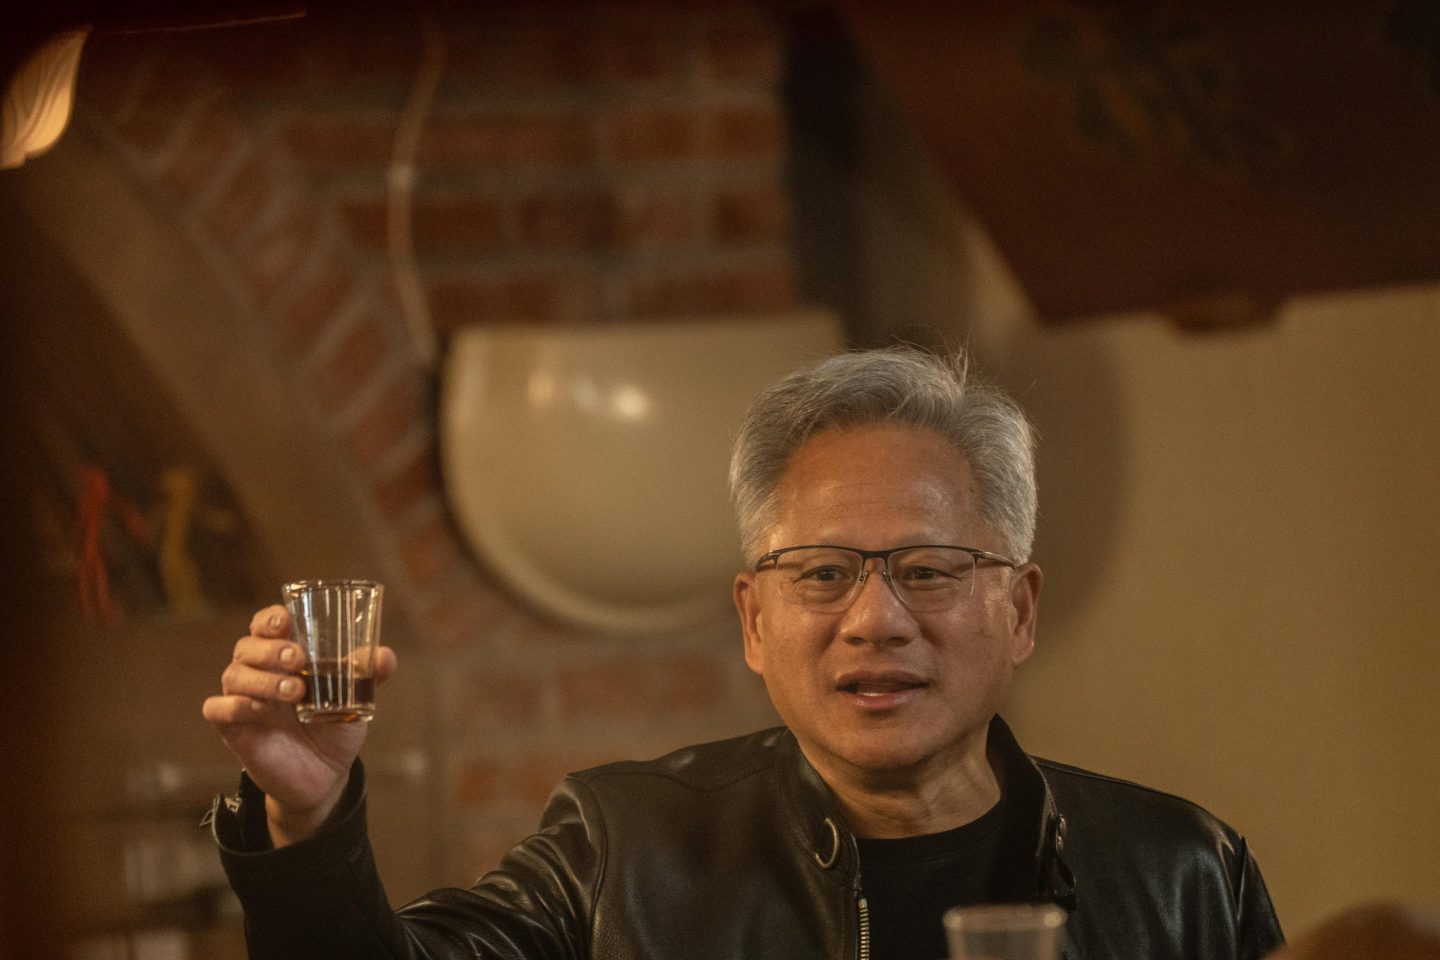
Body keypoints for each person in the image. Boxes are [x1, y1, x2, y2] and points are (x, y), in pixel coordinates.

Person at [204, 346, 1284, 959]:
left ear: (1020, 608)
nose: (874, 620)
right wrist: (308, 818)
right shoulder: (625, 848)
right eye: (821, 572)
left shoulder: (1183, 872)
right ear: (755, 620)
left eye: (930, 569)